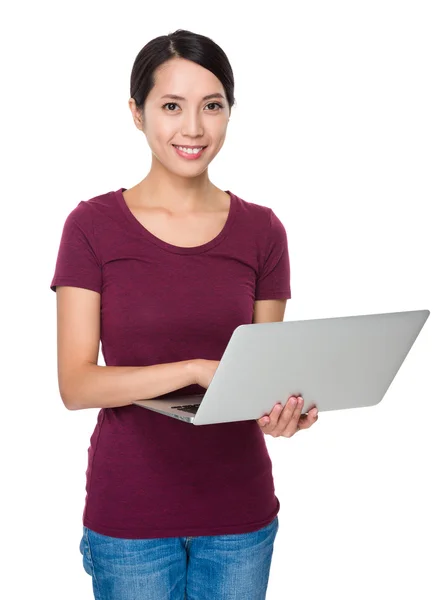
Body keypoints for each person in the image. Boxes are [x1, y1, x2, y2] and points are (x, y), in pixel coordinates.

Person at [50, 28, 318, 600]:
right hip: (130, 521)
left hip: (240, 518)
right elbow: (76, 384)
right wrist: (195, 369)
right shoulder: (91, 227)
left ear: (229, 113)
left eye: (212, 106)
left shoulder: (263, 231)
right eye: (171, 106)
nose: (193, 128)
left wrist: (282, 413)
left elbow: (257, 378)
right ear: (136, 112)